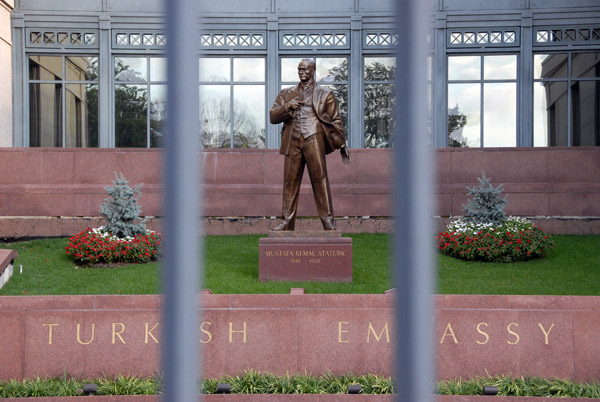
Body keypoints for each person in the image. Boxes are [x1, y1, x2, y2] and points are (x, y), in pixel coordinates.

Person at [269, 59, 351, 231]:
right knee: (290, 182)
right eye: (299, 69)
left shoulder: (325, 94)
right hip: (293, 140)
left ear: (313, 71)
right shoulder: (287, 93)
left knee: (320, 179)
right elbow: (273, 117)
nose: (302, 72)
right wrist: (286, 107)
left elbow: (336, 120)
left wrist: (342, 143)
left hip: (314, 138)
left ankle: (328, 221)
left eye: (305, 69)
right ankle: (286, 222)